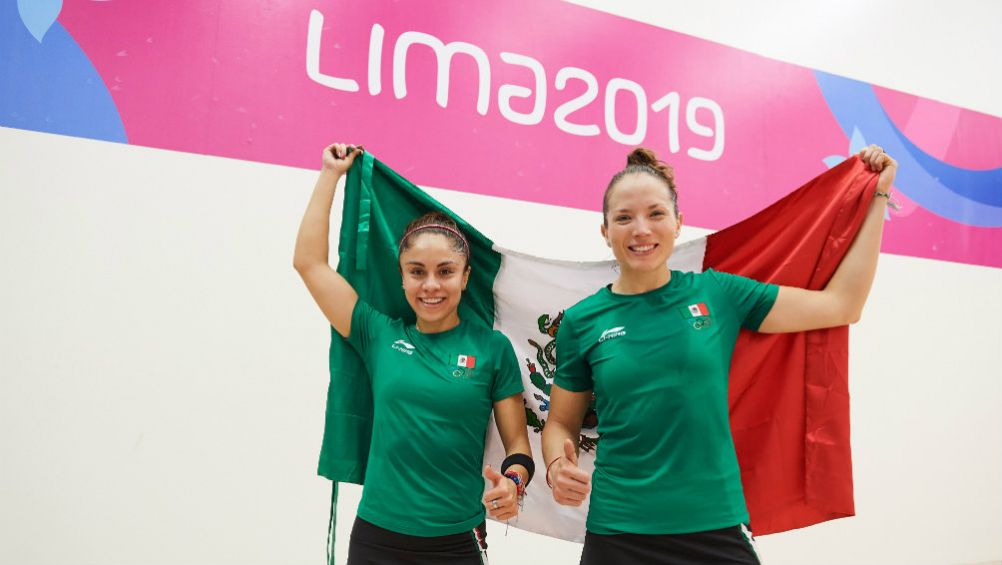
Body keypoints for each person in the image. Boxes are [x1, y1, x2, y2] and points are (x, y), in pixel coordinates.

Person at [541, 145, 897, 564]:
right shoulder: (583, 321)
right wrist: (554, 466)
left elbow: (842, 305)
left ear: (678, 224)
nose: (641, 229)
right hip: (618, 533)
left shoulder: (718, 294)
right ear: (605, 231)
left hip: (714, 528)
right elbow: (561, 422)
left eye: (656, 214)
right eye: (624, 218)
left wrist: (877, 197)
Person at [294, 143, 534, 565]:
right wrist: (330, 175)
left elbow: (518, 446)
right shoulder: (377, 334)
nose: (431, 285)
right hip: (377, 541)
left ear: (465, 277)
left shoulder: (492, 349)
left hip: (456, 543)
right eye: (417, 272)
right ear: (401, 277)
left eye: (445, 272)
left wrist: (513, 483)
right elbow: (309, 264)